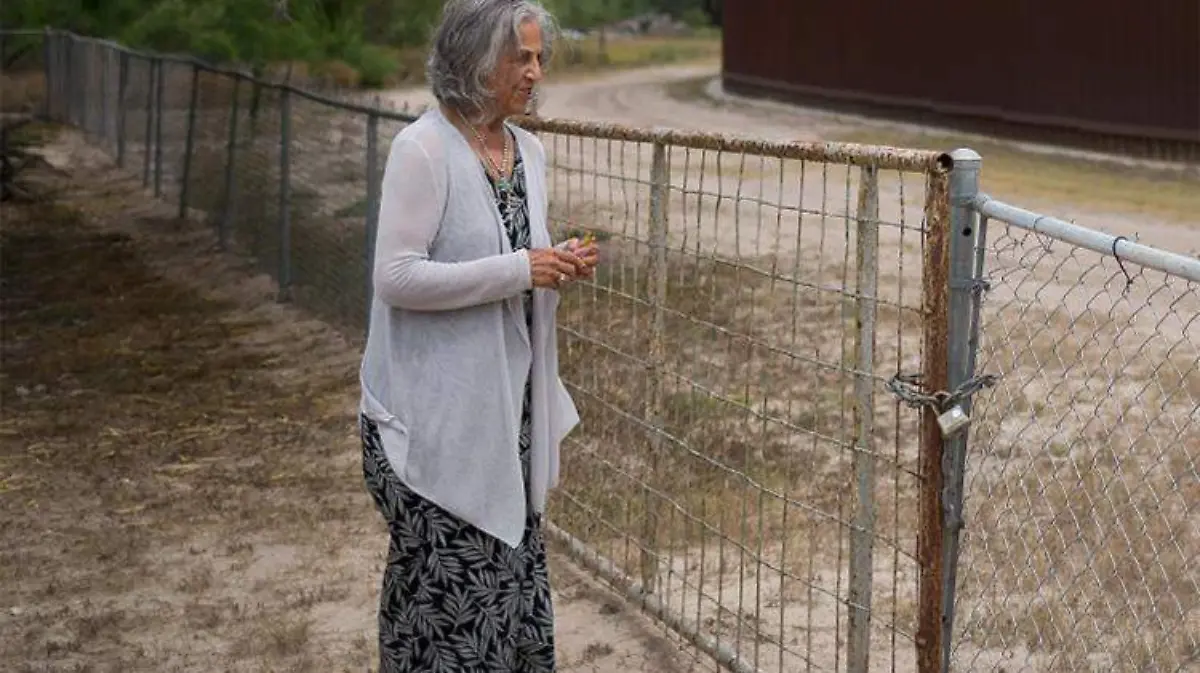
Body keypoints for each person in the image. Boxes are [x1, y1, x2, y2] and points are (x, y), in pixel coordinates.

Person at [357, 1, 598, 671]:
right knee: (446, 609)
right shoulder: (423, 149)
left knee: (507, 591)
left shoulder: (528, 152)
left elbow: (512, 258)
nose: (535, 71)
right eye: (520, 58)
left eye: (539, 57)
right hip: (434, 419)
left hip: (504, 414)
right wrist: (522, 269)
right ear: (473, 61)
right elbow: (396, 277)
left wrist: (556, 262)